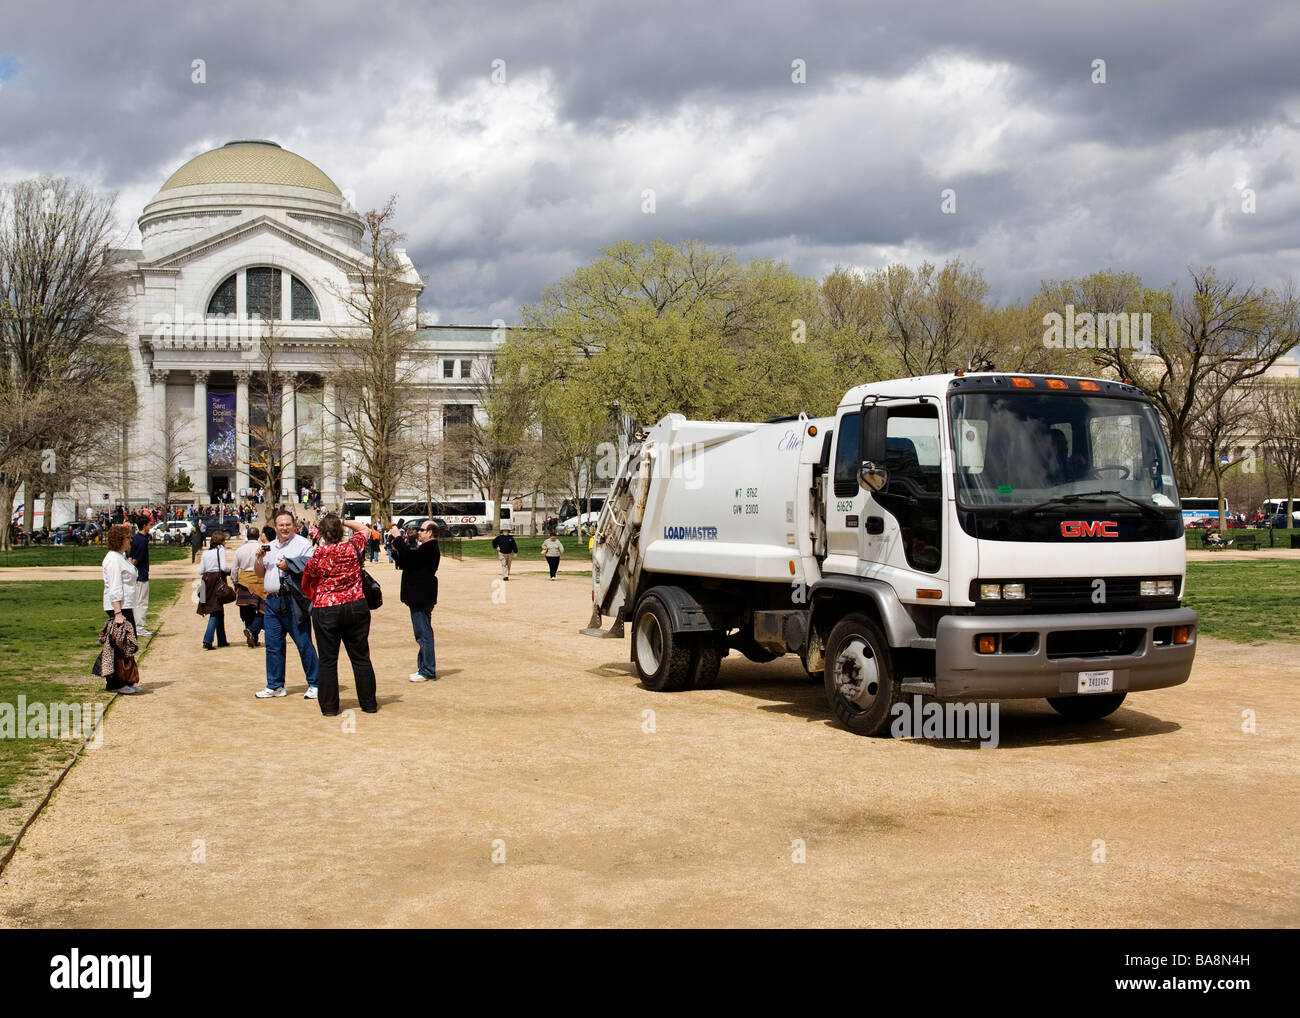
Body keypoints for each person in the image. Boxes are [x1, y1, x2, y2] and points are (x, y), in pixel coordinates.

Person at [300, 515, 378, 716]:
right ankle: (368, 703)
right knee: (361, 657)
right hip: (355, 604)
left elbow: (309, 578)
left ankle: (329, 707)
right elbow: (364, 529)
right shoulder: (353, 547)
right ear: (341, 532)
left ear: (322, 534)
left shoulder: (319, 554)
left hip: (327, 607)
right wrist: (341, 521)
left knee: (327, 660)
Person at [254, 508, 320, 699]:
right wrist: (258, 558)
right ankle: (275, 685)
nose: (284, 528)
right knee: (273, 645)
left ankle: (315, 683)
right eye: (281, 525)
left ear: (294, 526)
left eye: (288, 525)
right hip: (272, 601)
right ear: (275, 527)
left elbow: (312, 568)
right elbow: (259, 573)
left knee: (303, 642)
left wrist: (290, 565)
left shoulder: (303, 544)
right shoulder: (270, 546)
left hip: (293, 601)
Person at [391, 517, 440, 682]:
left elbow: (411, 559)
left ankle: (427, 670)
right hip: (418, 595)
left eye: (422, 530)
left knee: (423, 633)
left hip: (421, 595)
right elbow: (406, 562)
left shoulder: (430, 548)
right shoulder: (425, 548)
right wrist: (396, 549)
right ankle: (424, 668)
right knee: (422, 632)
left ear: (430, 533)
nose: (418, 532)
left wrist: (398, 539)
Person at [101, 523, 143, 694]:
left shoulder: (121, 557)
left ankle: (127, 678)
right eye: (127, 537)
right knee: (121, 644)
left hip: (126, 605)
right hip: (118, 606)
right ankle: (116, 682)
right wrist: (118, 612)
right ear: (120, 540)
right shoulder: (112, 559)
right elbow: (115, 587)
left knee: (128, 643)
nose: (130, 540)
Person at [197, 530, 235, 650]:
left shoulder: (206, 553)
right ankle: (207, 639)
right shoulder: (221, 550)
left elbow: (200, 570)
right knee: (215, 610)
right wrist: (232, 569)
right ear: (222, 541)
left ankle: (222, 639)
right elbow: (223, 567)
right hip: (216, 581)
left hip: (206, 581)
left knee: (218, 610)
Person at [233, 525, 268, 647]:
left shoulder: (239, 550)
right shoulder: (262, 548)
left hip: (244, 581)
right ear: (258, 536)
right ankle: (252, 633)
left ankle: (251, 632)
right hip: (260, 581)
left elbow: (234, 569)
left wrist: (235, 582)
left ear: (247, 535)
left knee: (247, 610)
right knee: (263, 610)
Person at [128, 518, 154, 637]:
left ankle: (137, 626)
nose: (150, 527)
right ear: (144, 526)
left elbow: (131, 556)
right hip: (141, 574)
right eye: (149, 525)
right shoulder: (142, 540)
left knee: (137, 601)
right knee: (141, 602)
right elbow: (136, 559)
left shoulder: (136, 539)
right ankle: (139, 627)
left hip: (137, 574)